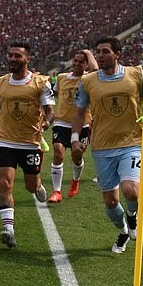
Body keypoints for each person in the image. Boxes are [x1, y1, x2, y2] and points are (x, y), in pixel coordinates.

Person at [72, 37, 143, 253]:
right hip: (102, 147)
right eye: (98, 52)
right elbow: (79, 112)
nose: (100, 56)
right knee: (111, 203)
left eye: (105, 51)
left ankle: (132, 216)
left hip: (132, 142)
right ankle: (123, 231)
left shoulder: (136, 74)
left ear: (117, 54)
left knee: (131, 190)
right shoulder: (88, 81)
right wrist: (75, 139)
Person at [0, 42, 54, 249]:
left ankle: (37, 186)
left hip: (30, 143)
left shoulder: (40, 83)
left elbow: (49, 110)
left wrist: (45, 122)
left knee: (30, 186)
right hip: (5, 141)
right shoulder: (0, 83)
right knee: (5, 183)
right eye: (10, 55)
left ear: (27, 59)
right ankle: (8, 229)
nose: (12, 59)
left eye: (17, 56)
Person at [48, 49, 98, 203]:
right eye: (75, 60)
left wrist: (88, 53)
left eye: (81, 61)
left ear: (86, 64)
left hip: (82, 124)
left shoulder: (88, 79)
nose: (76, 63)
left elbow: (95, 69)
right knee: (58, 151)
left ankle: (75, 180)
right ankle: (57, 191)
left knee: (77, 157)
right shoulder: (62, 77)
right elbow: (55, 94)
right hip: (61, 121)